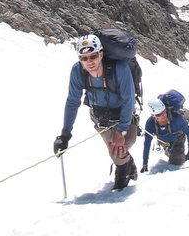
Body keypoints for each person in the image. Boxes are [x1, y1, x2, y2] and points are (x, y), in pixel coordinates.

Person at [53, 34, 139, 190]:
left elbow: (129, 101)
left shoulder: (119, 68)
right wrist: (65, 134)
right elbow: (73, 101)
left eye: (92, 56)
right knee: (117, 151)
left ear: (101, 54)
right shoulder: (78, 71)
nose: (89, 62)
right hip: (100, 117)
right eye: (84, 58)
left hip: (124, 116)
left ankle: (124, 170)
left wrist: (121, 131)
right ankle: (126, 166)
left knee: (120, 149)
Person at [141, 97, 189, 173]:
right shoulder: (150, 124)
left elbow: (188, 131)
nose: (163, 116)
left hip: (178, 139)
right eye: (159, 115)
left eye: (164, 112)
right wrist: (145, 164)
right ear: (153, 116)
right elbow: (147, 144)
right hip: (163, 141)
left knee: (178, 161)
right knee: (173, 155)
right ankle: (170, 151)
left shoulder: (176, 119)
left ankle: (177, 153)